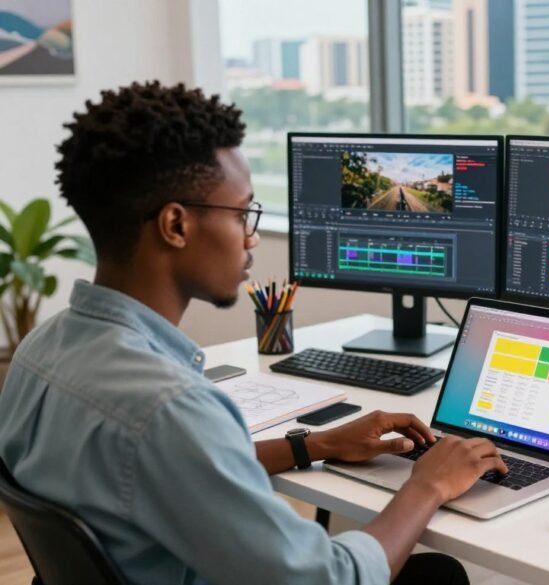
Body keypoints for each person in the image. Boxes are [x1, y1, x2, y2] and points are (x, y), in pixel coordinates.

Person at [0, 81, 507, 585]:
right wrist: (427, 485)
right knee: (437, 575)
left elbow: (174, 472)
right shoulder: (168, 408)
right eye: (242, 213)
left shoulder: (39, 352)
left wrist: (316, 444)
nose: (252, 237)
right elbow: (331, 579)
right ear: (175, 225)